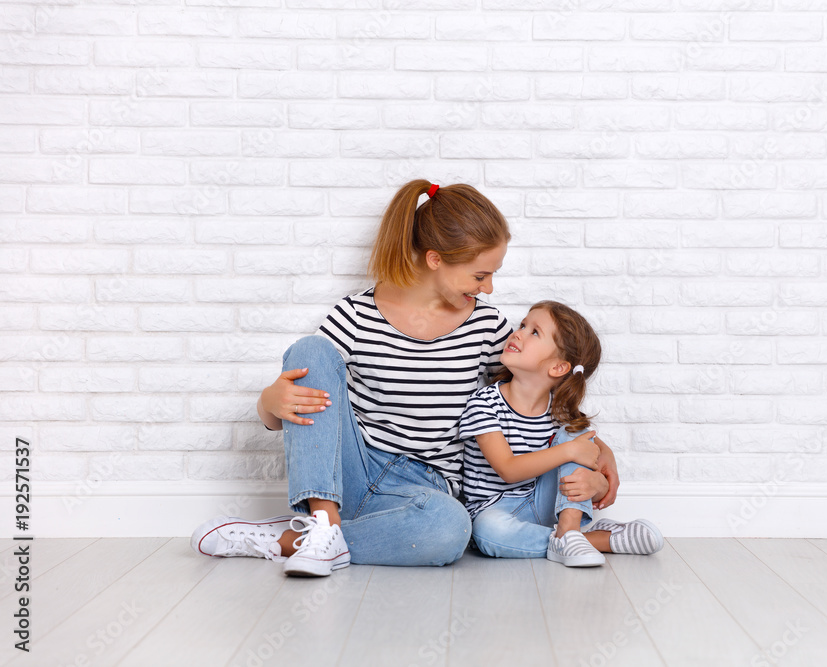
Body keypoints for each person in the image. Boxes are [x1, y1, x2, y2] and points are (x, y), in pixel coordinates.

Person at [190, 180, 621, 576]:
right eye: (479, 274)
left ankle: (294, 539)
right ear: (435, 259)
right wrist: (269, 403)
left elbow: (536, 395)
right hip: (352, 468)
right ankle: (322, 521)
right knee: (311, 350)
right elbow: (295, 408)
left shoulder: (487, 329)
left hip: (426, 490)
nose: (489, 288)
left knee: (451, 531)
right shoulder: (355, 315)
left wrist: (601, 453)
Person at [460, 301, 663, 567]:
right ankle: (597, 540)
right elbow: (508, 470)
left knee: (573, 434)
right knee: (489, 533)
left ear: (557, 368)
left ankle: (568, 529)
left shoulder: (559, 412)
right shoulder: (484, 404)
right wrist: (571, 452)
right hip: (495, 512)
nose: (517, 332)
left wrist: (599, 478)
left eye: (534, 332)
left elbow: (589, 454)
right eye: (523, 325)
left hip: (545, 505)